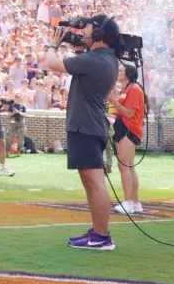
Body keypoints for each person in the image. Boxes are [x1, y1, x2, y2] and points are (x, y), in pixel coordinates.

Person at [40, 14, 122, 250]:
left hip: (85, 125)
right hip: (90, 124)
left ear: (98, 34)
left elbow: (53, 63)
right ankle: (98, 231)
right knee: (92, 183)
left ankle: (101, 236)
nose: (83, 32)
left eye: (87, 28)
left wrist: (54, 44)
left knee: (94, 183)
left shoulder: (96, 60)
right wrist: (77, 47)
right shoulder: (105, 58)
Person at [110, 62, 145, 214]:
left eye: (121, 70)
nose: (118, 72)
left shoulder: (134, 89)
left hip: (129, 129)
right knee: (128, 165)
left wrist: (113, 101)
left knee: (124, 166)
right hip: (123, 127)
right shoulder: (125, 89)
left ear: (128, 74)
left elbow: (129, 113)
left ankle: (128, 202)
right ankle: (135, 202)